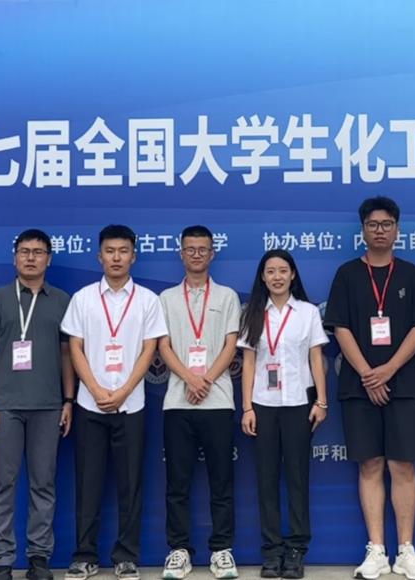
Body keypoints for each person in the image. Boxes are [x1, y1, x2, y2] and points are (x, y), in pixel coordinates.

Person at [324, 196, 415, 580]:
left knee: (402, 465)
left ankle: (406, 550)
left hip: (403, 383)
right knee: (370, 464)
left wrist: (387, 370)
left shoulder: (411, 274)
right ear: (363, 230)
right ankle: (376, 550)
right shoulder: (347, 274)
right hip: (359, 385)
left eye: (387, 224)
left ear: (397, 229)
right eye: (373, 224)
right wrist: (369, 374)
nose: (380, 230)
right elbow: (340, 328)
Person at [61, 225, 168, 580]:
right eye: (110, 251)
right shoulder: (83, 298)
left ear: (133, 256)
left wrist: (123, 391)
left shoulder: (148, 300)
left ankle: (126, 556)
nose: (116, 257)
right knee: (88, 483)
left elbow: (149, 349)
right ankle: (84, 555)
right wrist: (93, 388)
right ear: (99, 256)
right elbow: (74, 347)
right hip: (89, 405)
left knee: (130, 484)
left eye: (123, 251)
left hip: (131, 404)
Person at [0, 228, 75, 580]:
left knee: (43, 484)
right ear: (15, 257)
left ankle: (39, 559)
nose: (31, 258)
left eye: (38, 252)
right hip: (5, 406)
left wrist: (68, 400)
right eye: (25, 251)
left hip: (48, 406)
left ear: (49, 258)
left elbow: (67, 354)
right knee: (2, 484)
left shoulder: (62, 300)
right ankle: (2, 561)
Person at [157, 225, 242, 580]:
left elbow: (231, 345)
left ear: (212, 253)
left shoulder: (227, 296)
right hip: (178, 402)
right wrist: (190, 379)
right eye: (190, 249)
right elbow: (162, 346)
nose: (196, 254)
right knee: (177, 483)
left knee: (222, 481)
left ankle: (221, 550)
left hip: (217, 400)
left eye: (202, 249)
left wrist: (204, 379)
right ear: (181, 253)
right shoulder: (165, 298)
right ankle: (179, 550)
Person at [238, 249, 329, 579]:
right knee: (266, 481)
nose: (277, 276)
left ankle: (296, 550)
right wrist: (247, 407)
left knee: (297, 478)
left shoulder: (307, 312)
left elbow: (316, 358)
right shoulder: (252, 313)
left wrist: (322, 402)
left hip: (298, 404)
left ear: (292, 275)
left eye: (282, 270)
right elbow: (249, 363)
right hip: (263, 404)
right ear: (262, 277)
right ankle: (272, 550)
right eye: (270, 271)